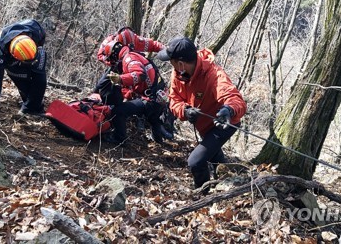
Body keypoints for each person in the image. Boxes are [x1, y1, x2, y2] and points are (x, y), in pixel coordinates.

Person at [157, 36, 246, 193]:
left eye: (171, 60)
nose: (170, 64)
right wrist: (185, 110)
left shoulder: (214, 74)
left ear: (181, 63)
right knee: (214, 157)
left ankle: (202, 196)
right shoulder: (178, 74)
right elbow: (174, 100)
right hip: (204, 127)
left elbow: (235, 99)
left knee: (195, 161)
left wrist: (228, 110)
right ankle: (226, 187)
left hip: (224, 124)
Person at [100, 40, 172, 144]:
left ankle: (119, 139)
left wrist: (120, 79)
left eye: (111, 59)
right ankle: (159, 142)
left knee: (118, 111)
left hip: (150, 100)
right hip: (159, 99)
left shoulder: (128, 59)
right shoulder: (136, 55)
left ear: (114, 54)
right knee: (154, 121)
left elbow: (140, 75)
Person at [0, 19, 47, 118]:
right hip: (11, 59)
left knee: (40, 79)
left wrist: (36, 52)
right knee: (20, 77)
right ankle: (28, 106)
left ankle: (33, 106)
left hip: (34, 51)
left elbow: (42, 36)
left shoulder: (35, 30)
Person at [97, 27, 164, 67]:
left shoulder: (136, 40)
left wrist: (166, 50)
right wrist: (112, 62)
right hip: (116, 67)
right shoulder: (107, 42)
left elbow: (152, 44)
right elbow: (100, 56)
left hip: (135, 65)